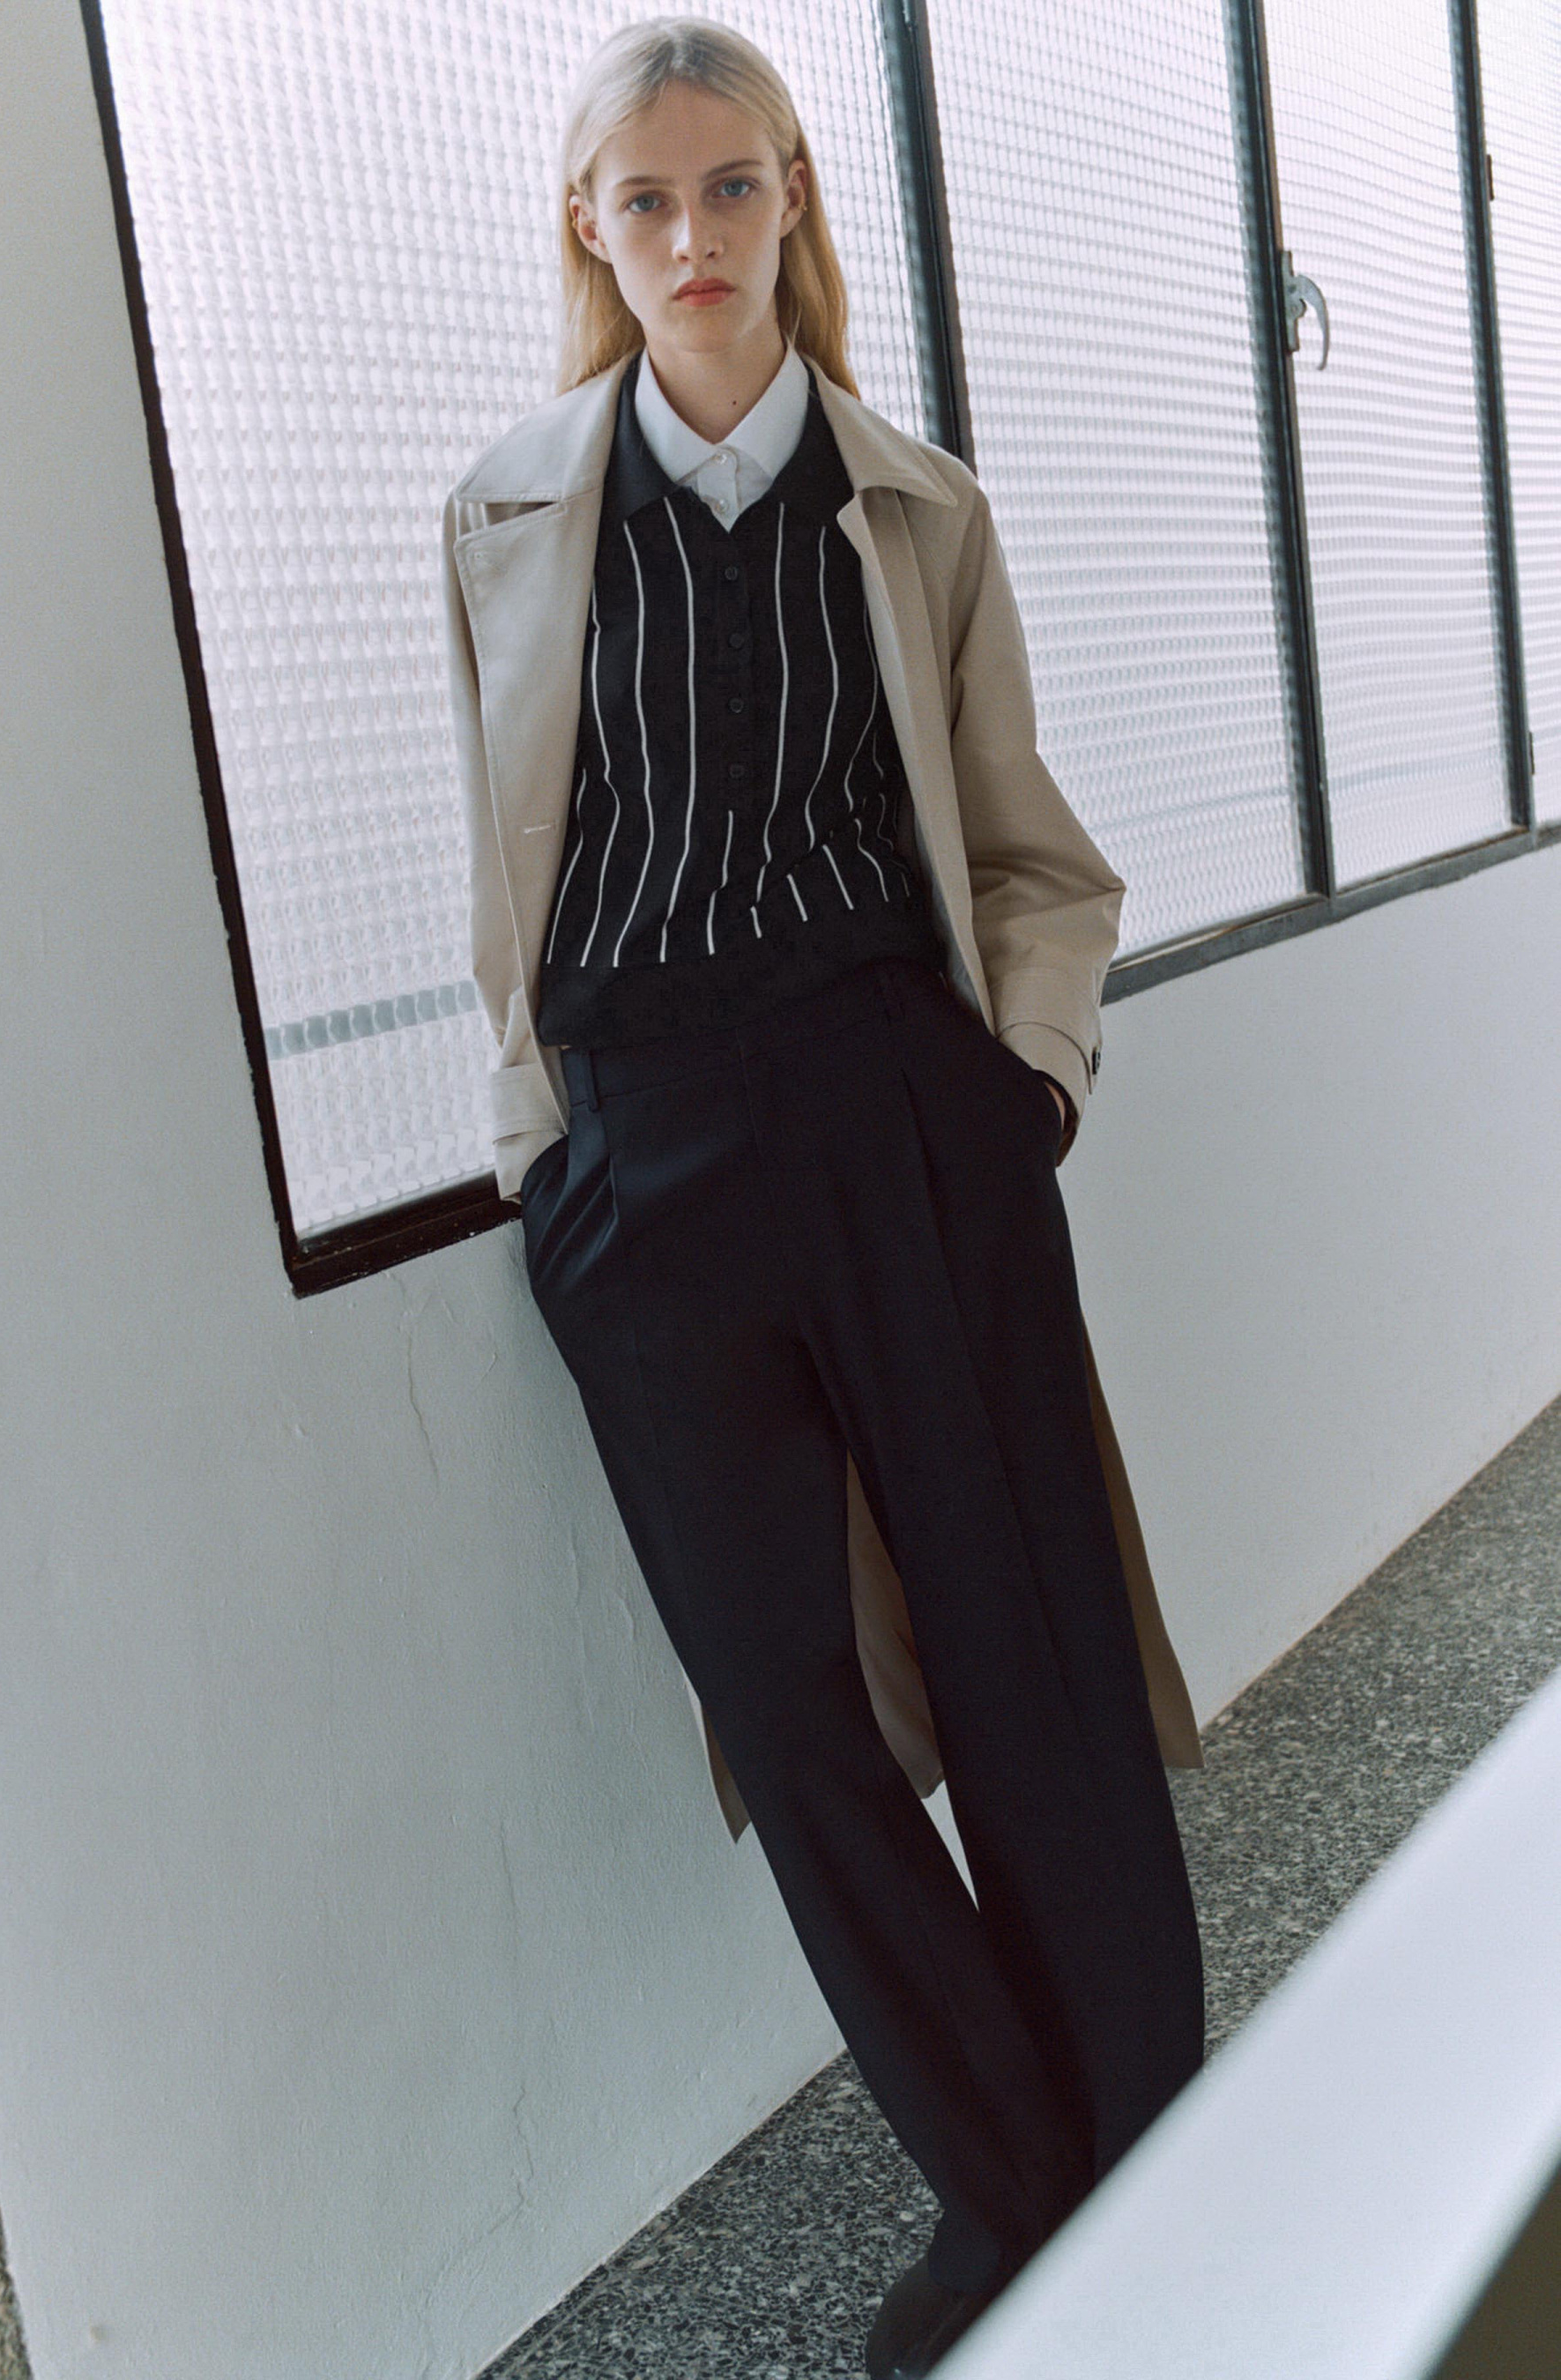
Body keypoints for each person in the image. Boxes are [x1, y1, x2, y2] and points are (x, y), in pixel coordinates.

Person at [439, 19, 1205, 2376]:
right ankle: (1014, 2190)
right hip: (642, 1167)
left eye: (730, 188)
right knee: (790, 1721)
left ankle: (1160, 2163)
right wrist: (545, 1154)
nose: (691, 237)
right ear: (590, 230)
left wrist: (1021, 1089)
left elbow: (1036, 860)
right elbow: (511, 863)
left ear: (790, 198)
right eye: (645, 200)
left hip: (903, 1119)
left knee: (1029, 1656)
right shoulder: (501, 514)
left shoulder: (917, 506)